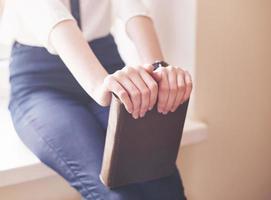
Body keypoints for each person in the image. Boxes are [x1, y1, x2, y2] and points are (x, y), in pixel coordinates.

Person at [1, 0, 193, 199]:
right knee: (114, 195)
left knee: (162, 184)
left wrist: (158, 69)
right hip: (42, 82)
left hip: (106, 62)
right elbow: (50, 15)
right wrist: (99, 84)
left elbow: (132, 8)